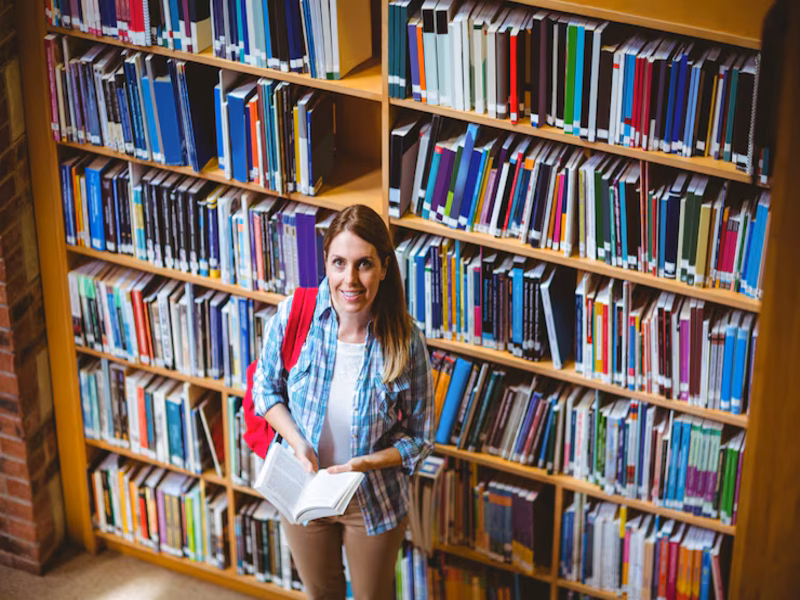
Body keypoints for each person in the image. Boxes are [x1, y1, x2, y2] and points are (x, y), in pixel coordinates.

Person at [251, 204, 434, 600]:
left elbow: (419, 438)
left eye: (364, 264)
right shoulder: (293, 315)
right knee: (323, 594)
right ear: (327, 263)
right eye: (339, 262)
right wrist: (298, 443)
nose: (349, 279)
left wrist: (365, 463)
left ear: (384, 267)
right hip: (303, 488)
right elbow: (264, 391)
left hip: (371, 496)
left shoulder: (406, 341)